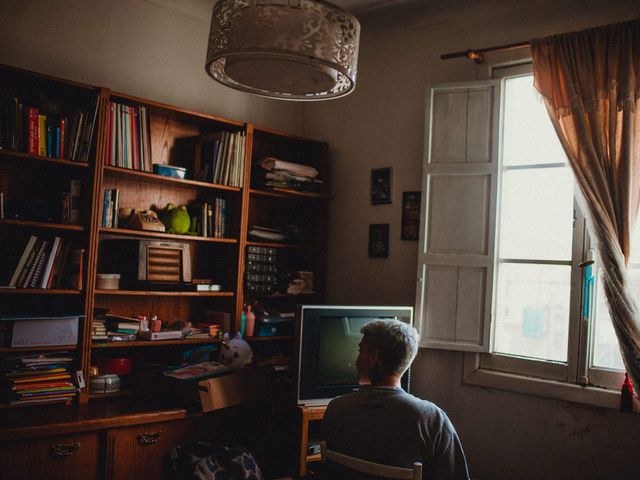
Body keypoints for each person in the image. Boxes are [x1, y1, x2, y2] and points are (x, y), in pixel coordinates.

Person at [323, 319, 470, 480]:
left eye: (360, 351)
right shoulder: (431, 417)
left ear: (374, 357)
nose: (356, 360)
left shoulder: (336, 408)